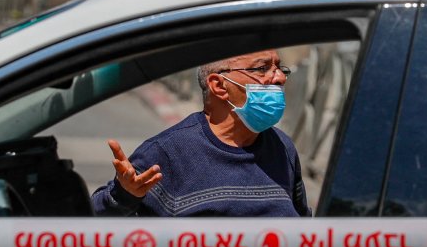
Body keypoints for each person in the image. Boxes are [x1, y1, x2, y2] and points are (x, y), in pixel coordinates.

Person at [91, 49, 312, 217]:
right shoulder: (166, 154)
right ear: (219, 86)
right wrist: (125, 195)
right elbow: (92, 226)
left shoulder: (282, 147)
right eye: (262, 68)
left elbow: (303, 229)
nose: (280, 78)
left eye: (278, 68)